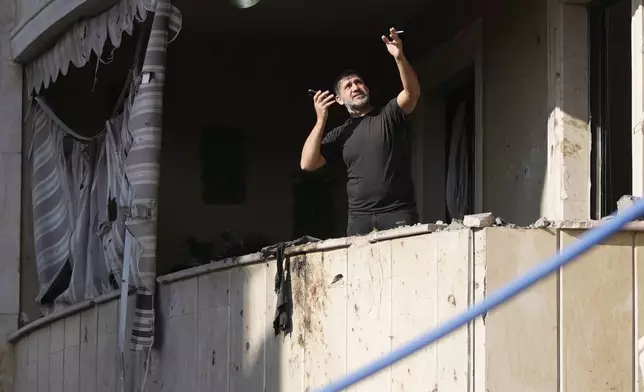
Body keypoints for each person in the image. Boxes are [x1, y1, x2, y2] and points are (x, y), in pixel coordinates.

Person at [300, 27, 421, 236]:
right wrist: (321, 119)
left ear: (367, 88)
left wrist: (399, 57)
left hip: (397, 212)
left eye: (358, 82)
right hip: (359, 218)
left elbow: (412, 93)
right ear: (339, 99)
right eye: (348, 86)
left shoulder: (388, 114)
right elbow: (308, 163)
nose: (355, 87)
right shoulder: (341, 133)